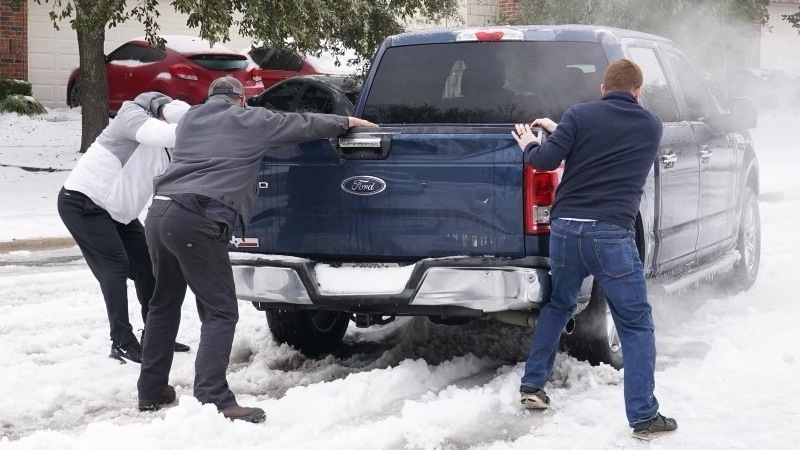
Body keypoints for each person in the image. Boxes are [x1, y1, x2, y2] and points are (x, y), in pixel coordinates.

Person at [136, 76, 377, 423]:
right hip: (198, 217)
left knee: (163, 306)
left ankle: (150, 391)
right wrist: (346, 122)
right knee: (221, 312)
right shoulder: (250, 118)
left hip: (159, 213)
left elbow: (161, 106)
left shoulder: (190, 119)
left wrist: (157, 101)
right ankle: (213, 397)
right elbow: (301, 123)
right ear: (240, 100)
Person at [511, 59, 677, 440]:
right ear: (638, 92)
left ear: (603, 89)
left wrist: (535, 142)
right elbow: (610, 151)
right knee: (635, 324)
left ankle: (532, 386)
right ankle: (644, 417)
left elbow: (545, 160)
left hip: (567, 231)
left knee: (559, 303)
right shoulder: (651, 126)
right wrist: (566, 132)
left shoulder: (579, 115)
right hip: (611, 236)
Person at [57, 92, 192, 364]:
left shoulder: (169, 142)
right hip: (84, 202)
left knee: (148, 268)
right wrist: (200, 125)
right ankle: (120, 341)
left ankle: (155, 334)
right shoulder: (129, 115)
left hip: (118, 213)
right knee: (115, 267)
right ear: (156, 108)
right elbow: (164, 134)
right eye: (165, 112)